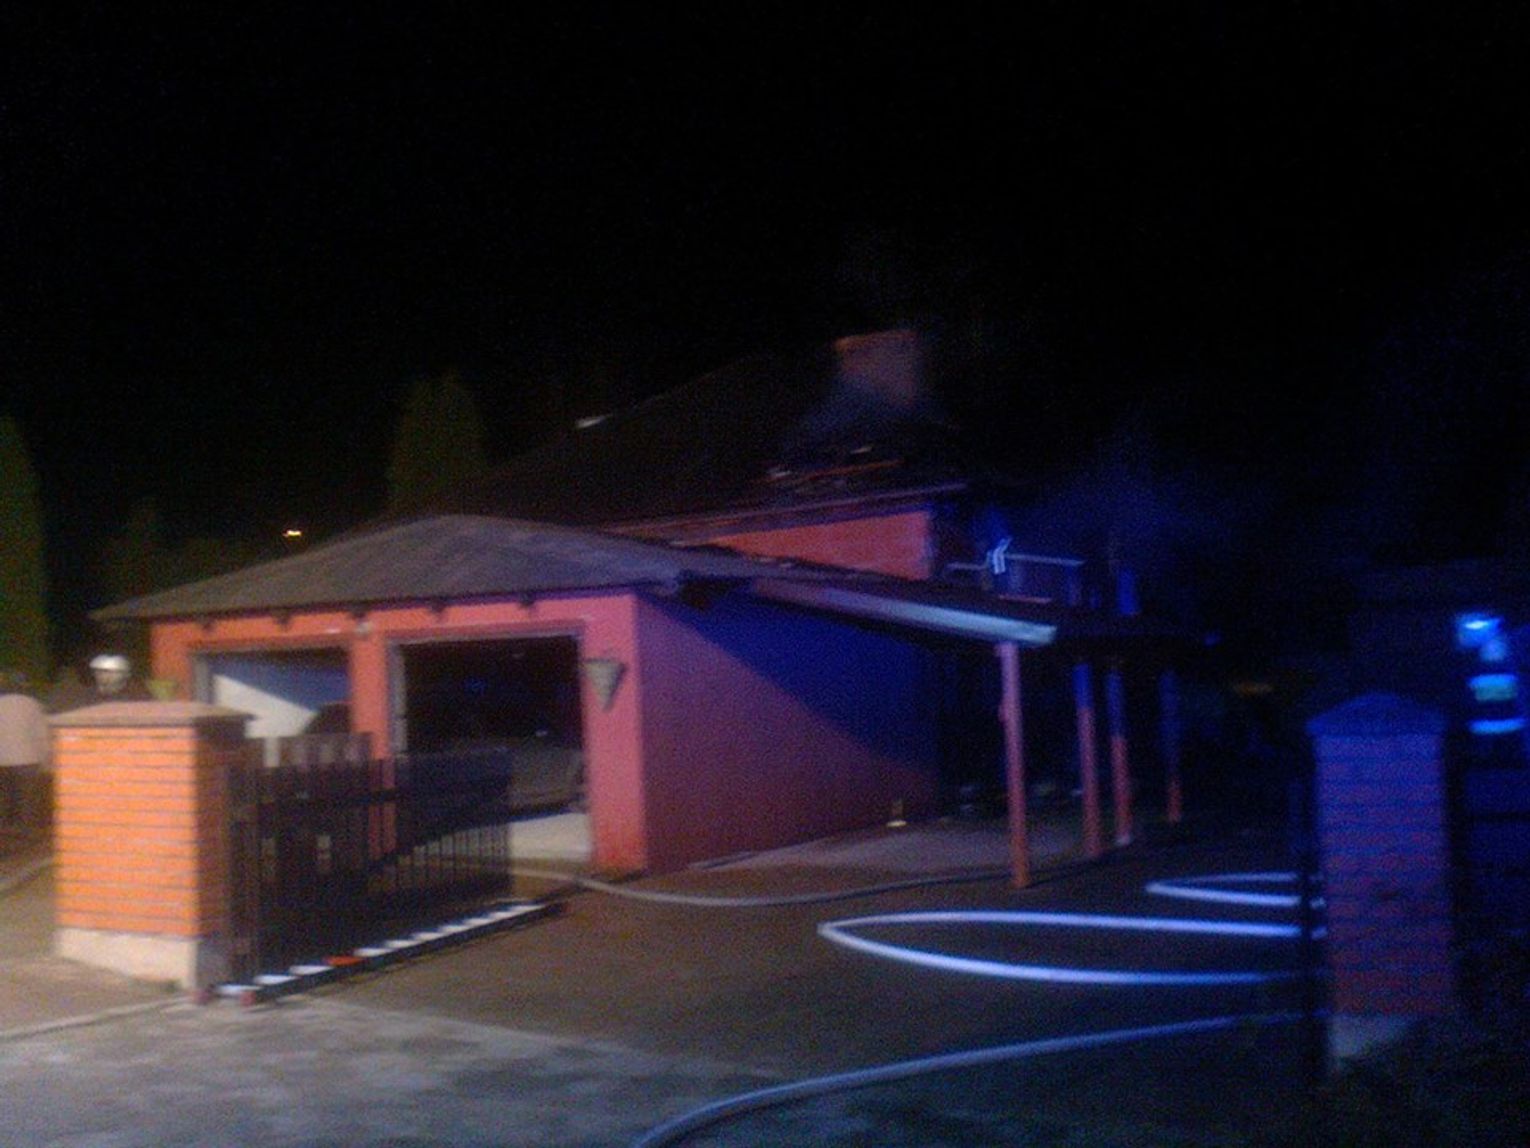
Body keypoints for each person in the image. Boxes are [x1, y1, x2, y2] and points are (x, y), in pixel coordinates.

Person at [0, 673, 49, 830]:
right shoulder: (33, 704)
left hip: (2, 758)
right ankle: (25, 831)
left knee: (5, 798)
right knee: (27, 800)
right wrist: (45, 759)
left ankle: (5, 829)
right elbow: (42, 734)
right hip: (28, 758)